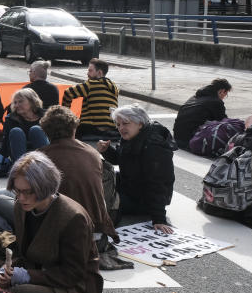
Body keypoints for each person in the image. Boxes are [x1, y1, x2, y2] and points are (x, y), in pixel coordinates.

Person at [0, 152, 103, 293]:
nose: (21, 198)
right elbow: (25, 251)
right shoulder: (21, 206)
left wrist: (26, 276)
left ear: (45, 187)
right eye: (17, 191)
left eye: (27, 192)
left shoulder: (74, 218)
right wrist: (8, 271)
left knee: (19, 292)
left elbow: (73, 274)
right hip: (36, 268)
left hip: (71, 289)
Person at [38, 106, 118, 242]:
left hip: (62, 238)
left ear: (46, 132)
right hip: (97, 233)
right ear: (74, 129)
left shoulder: (40, 158)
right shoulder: (92, 153)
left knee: (1, 200)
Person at [97, 105, 176, 233]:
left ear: (140, 124)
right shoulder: (133, 137)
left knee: (102, 201)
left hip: (145, 199)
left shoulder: (154, 146)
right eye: (118, 125)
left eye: (125, 123)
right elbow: (121, 159)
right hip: (132, 188)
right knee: (97, 178)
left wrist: (158, 219)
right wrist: (107, 151)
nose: (121, 128)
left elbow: (158, 183)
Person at [61, 58, 119, 138]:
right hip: (112, 128)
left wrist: (66, 113)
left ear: (99, 73)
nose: (87, 74)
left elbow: (67, 93)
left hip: (90, 128)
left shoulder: (90, 84)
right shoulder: (114, 87)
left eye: (90, 71)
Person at [173, 78, 232, 150]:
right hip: (189, 141)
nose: (224, 97)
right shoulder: (216, 102)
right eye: (226, 94)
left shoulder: (195, 97)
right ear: (222, 91)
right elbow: (224, 122)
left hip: (177, 137)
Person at [0, 88, 49, 163]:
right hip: (20, 156)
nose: (17, 105)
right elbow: (5, 143)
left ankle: (45, 166)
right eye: (15, 102)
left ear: (32, 101)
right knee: (16, 131)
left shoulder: (46, 116)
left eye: (20, 101)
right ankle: (21, 170)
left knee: (36, 129)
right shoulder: (11, 119)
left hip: (43, 154)